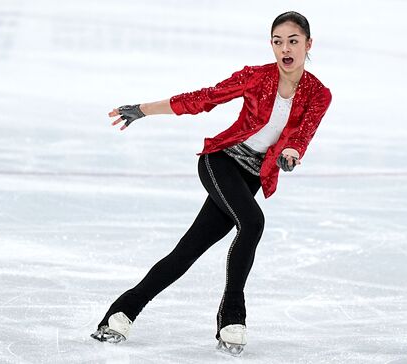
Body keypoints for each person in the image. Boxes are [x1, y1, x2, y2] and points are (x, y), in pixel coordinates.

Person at [91, 11, 332, 356]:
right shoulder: (256, 77)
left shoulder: (318, 94)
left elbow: (302, 133)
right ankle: (232, 316)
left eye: (293, 41)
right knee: (252, 222)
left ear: (308, 44)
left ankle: (121, 312)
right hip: (220, 162)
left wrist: (291, 153)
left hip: (249, 177)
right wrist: (144, 109)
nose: (285, 49)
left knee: (187, 251)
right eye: (278, 41)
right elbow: (204, 98)